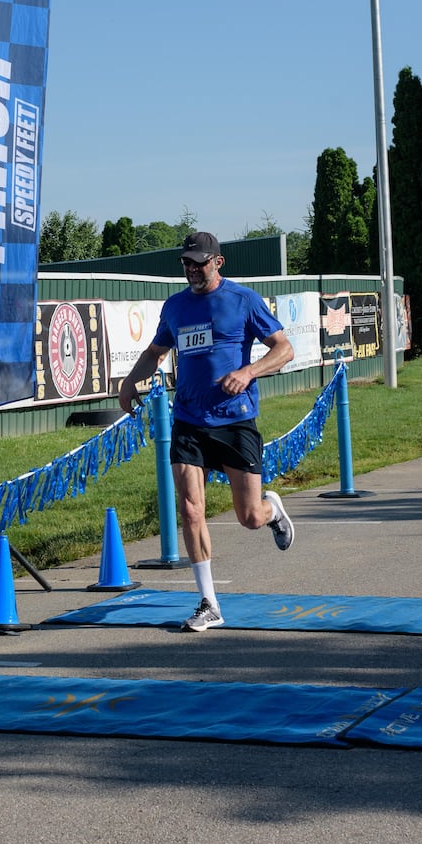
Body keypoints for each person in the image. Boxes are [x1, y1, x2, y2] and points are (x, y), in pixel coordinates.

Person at [117, 231, 296, 632]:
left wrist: (248, 372)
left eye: (199, 262)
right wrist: (131, 382)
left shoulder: (243, 301)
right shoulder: (176, 307)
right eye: (186, 263)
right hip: (189, 421)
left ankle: (272, 510)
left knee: (248, 517)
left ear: (218, 262)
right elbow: (154, 353)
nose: (192, 269)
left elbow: (284, 349)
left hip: (235, 419)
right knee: (191, 508)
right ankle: (208, 602)